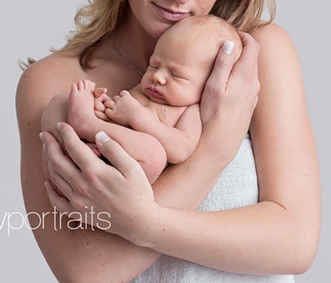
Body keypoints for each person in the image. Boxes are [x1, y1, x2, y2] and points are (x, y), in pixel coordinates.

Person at [16, 0, 320, 282]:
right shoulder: (56, 83)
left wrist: (143, 222)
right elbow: (86, 270)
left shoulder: (255, 58)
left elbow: (295, 242)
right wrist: (215, 147)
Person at [40, 15, 243, 184]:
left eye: (176, 75)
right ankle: (78, 148)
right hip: (101, 143)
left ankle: (87, 125)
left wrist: (136, 116)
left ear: (208, 83)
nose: (158, 77)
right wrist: (100, 104)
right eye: (154, 65)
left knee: (155, 154)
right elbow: (115, 111)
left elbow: (181, 149)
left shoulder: (189, 110)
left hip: (125, 170)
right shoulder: (147, 90)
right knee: (60, 102)